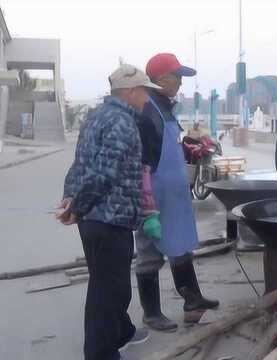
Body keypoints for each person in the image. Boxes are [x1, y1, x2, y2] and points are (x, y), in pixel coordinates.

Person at [57, 64, 160, 360]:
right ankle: (101, 353)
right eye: (144, 93)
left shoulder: (97, 117)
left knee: (112, 284)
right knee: (107, 290)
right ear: (130, 92)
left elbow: (79, 164)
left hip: (98, 217)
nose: (147, 100)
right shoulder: (121, 123)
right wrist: (76, 205)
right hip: (107, 220)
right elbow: (102, 173)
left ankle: (121, 332)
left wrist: (70, 199)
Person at [133, 53, 219, 332]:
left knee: (181, 247)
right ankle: (151, 313)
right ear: (160, 79)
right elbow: (144, 160)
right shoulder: (146, 109)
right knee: (150, 253)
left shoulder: (164, 107)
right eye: (177, 76)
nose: (181, 82)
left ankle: (192, 301)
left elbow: (167, 149)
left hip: (175, 193)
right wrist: (147, 205)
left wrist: (190, 145)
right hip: (154, 194)